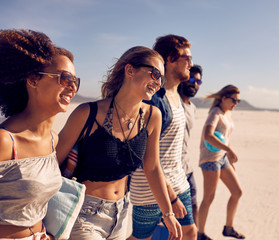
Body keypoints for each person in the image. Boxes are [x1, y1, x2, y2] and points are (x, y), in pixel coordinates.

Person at [56, 46, 182, 239]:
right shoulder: (87, 113)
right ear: (130, 70)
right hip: (84, 215)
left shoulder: (152, 116)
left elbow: (153, 168)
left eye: (162, 79)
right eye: (155, 74)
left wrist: (168, 213)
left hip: (121, 215)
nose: (158, 83)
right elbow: (53, 163)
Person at [0, 29, 79, 239]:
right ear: (33, 80)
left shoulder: (53, 139)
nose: (72, 87)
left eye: (76, 81)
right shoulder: (3, 141)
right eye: (65, 78)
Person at [129, 35, 197, 240]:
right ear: (170, 59)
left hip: (178, 181)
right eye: (187, 58)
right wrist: (171, 197)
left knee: (189, 232)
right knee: (141, 238)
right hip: (150, 189)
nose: (191, 65)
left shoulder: (178, 96)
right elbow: (146, 158)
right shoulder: (155, 100)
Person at [197, 85, 245, 240]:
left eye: (238, 100)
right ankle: (200, 234)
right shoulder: (215, 113)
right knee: (208, 198)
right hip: (210, 159)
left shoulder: (227, 113)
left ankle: (228, 228)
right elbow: (208, 135)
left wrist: (229, 156)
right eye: (233, 100)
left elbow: (225, 137)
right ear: (223, 98)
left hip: (222, 158)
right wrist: (229, 150)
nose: (236, 103)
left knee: (237, 192)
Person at [178, 64, 203, 225]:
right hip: (171, 169)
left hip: (187, 167)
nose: (194, 84)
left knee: (193, 206)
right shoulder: (173, 103)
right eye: (191, 79)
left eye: (198, 82)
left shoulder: (192, 108)